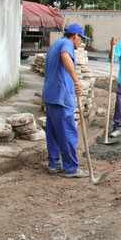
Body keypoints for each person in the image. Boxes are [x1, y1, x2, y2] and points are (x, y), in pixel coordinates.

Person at [42, 23, 89, 178]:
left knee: (54, 133)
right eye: (80, 39)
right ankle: (71, 168)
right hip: (61, 97)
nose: (80, 42)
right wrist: (76, 80)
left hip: (51, 95)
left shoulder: (56, 44)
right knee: (68, 133)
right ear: (75, 35)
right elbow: (65, 56)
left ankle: (54, 163)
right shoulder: (66, 44)